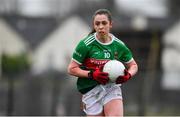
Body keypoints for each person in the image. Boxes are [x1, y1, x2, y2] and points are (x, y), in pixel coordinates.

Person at [67, 9, 138, 116]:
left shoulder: (118, 45)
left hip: (111, 88)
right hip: (90, 91)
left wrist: (128, 75)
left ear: (110, 24)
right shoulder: (85, 44)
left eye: (104, 23)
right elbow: (71, 69)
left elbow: (133, 65)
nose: (101, 26)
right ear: (94, 25)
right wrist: (92, 74)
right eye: (97, 23)